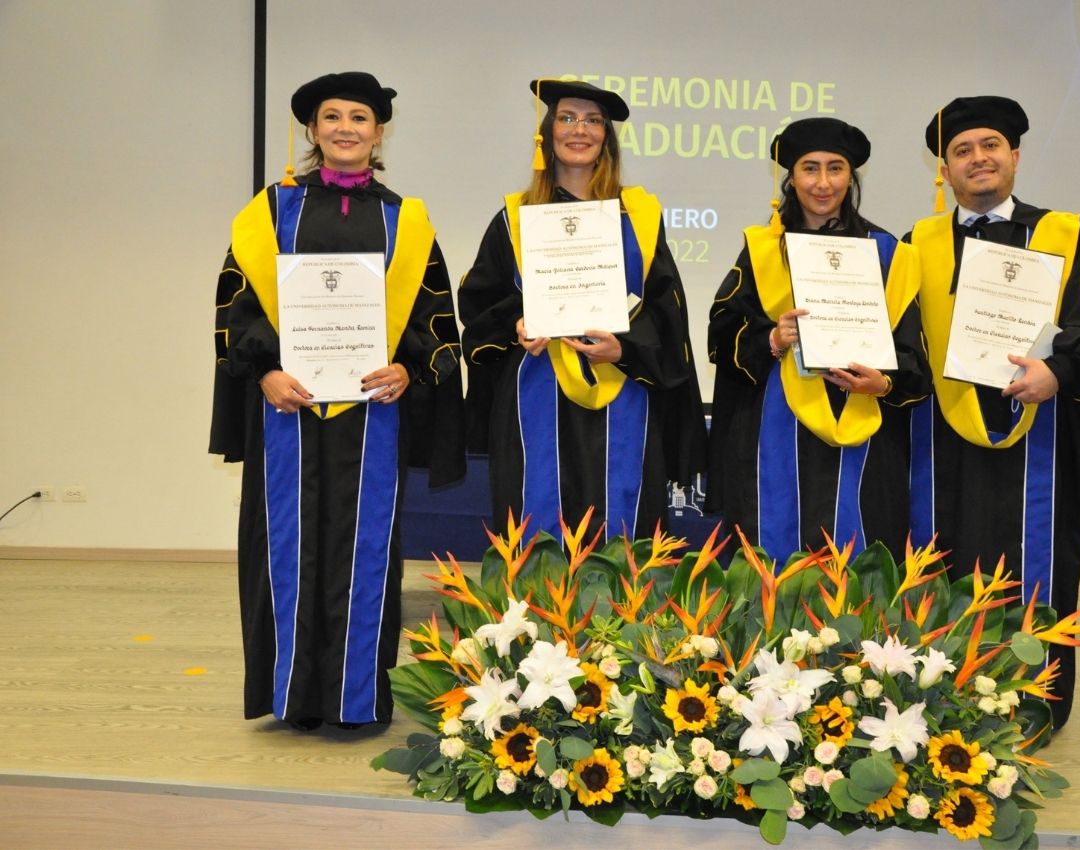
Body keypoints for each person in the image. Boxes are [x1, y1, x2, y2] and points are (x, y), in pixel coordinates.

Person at [209, 72, 464, 730]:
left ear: (379, 132)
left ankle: (356, 699)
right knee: (286, 544)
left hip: (372, 413)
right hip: (288, 410)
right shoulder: (271, 212)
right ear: (313, 130)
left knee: (366, 549)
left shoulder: (405, 221)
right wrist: (263, 371)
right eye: (331, 117)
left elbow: (435, 318)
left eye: (359, 117)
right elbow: (237, 305)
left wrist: (409, 369)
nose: (345, 127)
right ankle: (289, 695)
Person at [905, 96, 1080, 732]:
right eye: (962, 150)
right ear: (945, 169)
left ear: (1014, 155)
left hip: (1040, 433)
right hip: (939, 440)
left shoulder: (1067, 234)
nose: (977, 159)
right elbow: (902, 338)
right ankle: (936, 704)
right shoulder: (917, 243)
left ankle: (1032, 706)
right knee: (940, 558)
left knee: (1036, 564)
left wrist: (1058, 370)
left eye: (990, 146)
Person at [458, 79, 704, 543]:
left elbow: (666, 308)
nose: (580, 130)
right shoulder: (514, 216)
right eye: (567, 118)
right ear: (548, 132)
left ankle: (625, 615)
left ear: (606, 137)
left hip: (621, 387)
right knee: (538, 515)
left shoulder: (640, 216)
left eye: (593, 121)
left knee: (622, 512)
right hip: (535, 386)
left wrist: (625, 348)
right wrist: (516, 324)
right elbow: (479, 300)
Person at [707, 118, 929, 564]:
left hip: (862, 431)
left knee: (856, 551)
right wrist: (771, 337)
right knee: (774, 547)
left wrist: (882, 383)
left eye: (836, 168)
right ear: (791, 178)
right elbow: (721, 333)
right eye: (810, 168)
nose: (823, 183)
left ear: (852, 176)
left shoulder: (889, 253)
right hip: (774, 428)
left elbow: (912, 354)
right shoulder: (763, 249)